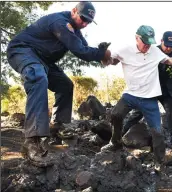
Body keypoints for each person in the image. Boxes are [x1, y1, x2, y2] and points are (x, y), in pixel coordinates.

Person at [6, 2, 111, 167]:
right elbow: (80, 51)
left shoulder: (75, 30)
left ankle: (57, 127)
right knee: (38, 77)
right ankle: (31, 142)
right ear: (74, 11)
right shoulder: (60, 22)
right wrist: (102, 54)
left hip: (43, 60)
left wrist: (99, 51)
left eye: (88, 22)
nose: (84, 24)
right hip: (23, 50)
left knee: (65, 85)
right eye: (83, 19)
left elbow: (84, 47)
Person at [100, 25, 172, 167]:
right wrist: (103, 54)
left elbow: (169, 60)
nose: (147, 46)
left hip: (150, 98)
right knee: (116, 114)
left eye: (150, 42)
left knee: (158, 132)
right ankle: (115, 142)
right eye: (145, 42)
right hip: (131, 95)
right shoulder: (125, 50)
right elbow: (109, 62)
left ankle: (159, 163)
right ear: (137, 38)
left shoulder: (155, 51)